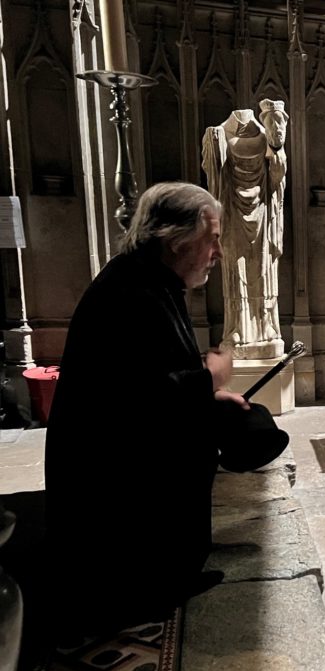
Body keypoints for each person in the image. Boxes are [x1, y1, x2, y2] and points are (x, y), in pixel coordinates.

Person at [44, 182, 249, 636]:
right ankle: (142, 594)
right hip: (111, 470)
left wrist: (208, 395)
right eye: (211, 237)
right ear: (176, 240)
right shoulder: (131, 291)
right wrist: (210, 378)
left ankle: (173, 578)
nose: (217, 250)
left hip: (135, 449)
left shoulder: (153, 280)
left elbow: (151, 374)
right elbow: (135, 399)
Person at [201, 99, 288, 360]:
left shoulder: (266, 138)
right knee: (235, 273)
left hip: (262, 215)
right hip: (232, 214)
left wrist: (276, 147)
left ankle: (267, 329)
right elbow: (213, 182)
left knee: (262, 270)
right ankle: (237, 329)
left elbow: (277, 179)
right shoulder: (217, 134)